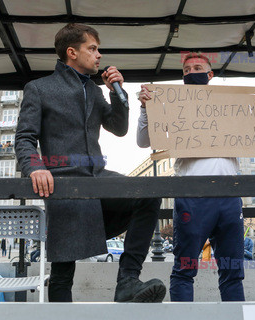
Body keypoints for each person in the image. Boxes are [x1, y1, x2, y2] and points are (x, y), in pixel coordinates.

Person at [15, 23, 164, 303]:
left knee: (148, 193)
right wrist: (35, 167)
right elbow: (24, 138)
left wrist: (117, 92)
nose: (99, 55)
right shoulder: (39, 88)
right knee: (62, 271)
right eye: (92, 49)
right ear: (72, 52)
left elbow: (118, 129)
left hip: (97, 177)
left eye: (98, 49)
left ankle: (128, 280)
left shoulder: (96, 91)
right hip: (64, 183)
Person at [137, 52, 255, 302]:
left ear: (210, 74)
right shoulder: (172, 105)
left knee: (233, 271)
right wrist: (145, 109)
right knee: (185, 269)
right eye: (186, 70)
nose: (191, 72)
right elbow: (144, 141)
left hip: (229, 195)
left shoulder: (231, 105)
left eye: (197, 67)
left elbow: (254, 133)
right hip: (191, 196)